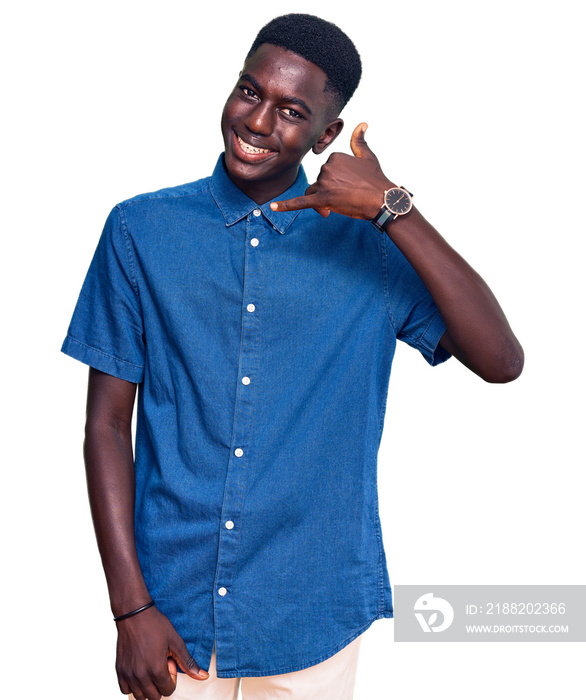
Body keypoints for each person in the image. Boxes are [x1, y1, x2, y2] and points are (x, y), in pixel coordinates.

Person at [61, 13, 523, 700]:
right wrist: (130, 607)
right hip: (172, 615)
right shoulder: (141, 230)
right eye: (249, 92)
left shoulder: (372, 246)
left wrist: (394, 209)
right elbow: (105, 425)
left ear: (327, 134)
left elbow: (501, 359)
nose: (257, 121)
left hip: (314, 616)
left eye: (292, 111)